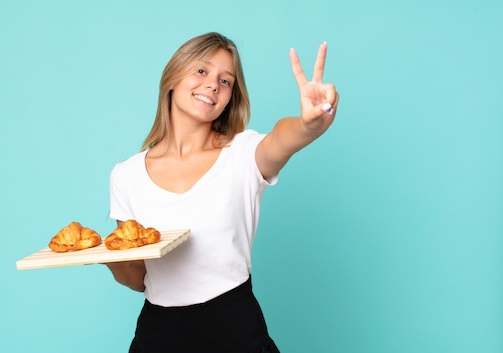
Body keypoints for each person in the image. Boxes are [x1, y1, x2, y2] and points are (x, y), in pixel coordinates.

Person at [105, 32, 339, 353]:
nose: (213, 84)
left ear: (230, 96)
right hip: (158, 334)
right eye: (201, 71)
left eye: (226, 81)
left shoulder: (242, 154)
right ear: (173, 76)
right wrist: (108, 258)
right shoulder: (126, 175)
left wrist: (309, 123)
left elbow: (281, 139)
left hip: (234, 328)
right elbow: (138, 278)